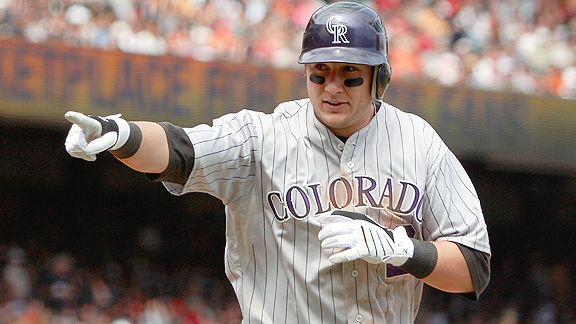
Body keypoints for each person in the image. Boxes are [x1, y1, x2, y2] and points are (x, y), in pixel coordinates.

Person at [64, 2, 491, 323]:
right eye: (319, 73)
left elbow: (473, 268)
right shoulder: (263, 136)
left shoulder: (419, 143)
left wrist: (405, 251)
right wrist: (119, 135)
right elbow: (181, 151)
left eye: (350, 75)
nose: (332, 88)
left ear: (380, 78)